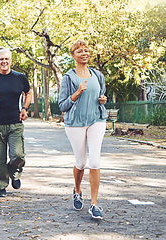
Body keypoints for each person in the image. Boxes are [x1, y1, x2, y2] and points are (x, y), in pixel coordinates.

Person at [58, 40, 108, 219]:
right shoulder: (68, 77)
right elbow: (62, 105)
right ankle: (77, 190)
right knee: (81, 162)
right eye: (80, 51)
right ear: (73, 55)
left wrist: (103, 99)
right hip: (75, 123)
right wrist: (77, 92)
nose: (84, 53)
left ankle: (94, 204)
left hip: (97, 120)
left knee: (94, 162)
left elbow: (102, 95)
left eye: (86, 51)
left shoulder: (97, 75)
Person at [0, 48, 32, 197]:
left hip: (15, 123)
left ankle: (14, 173)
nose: (4, 61)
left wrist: (24, 108)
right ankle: (1, 186)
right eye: (1, 59)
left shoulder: (20, 78)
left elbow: (28, 93)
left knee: (17, 155)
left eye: (6, 59)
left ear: (10, 61)